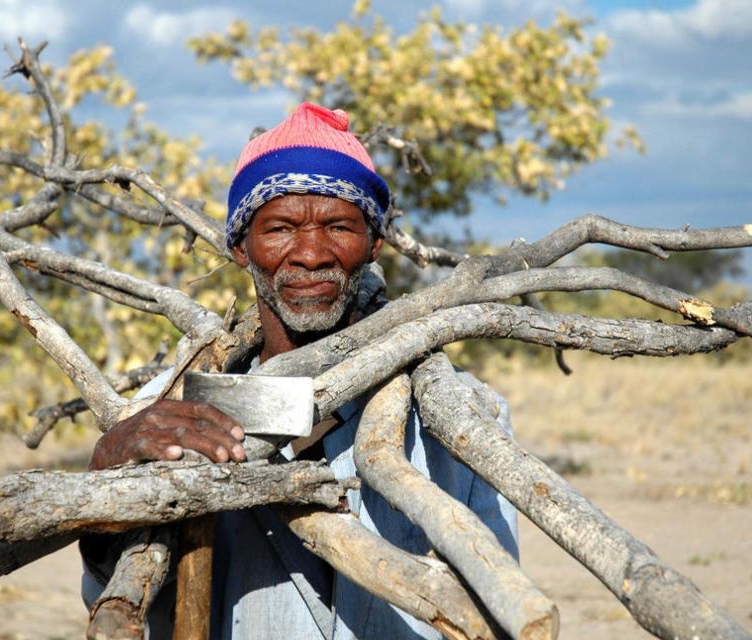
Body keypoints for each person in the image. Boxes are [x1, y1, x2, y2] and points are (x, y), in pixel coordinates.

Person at [81, 102, 518, 639]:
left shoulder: (462, 416)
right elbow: (119, 601)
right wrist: (105, 489)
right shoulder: (170, 412)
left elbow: (499, 610)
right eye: (281, 228)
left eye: (339, 226)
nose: (311, 254)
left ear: (374, 244)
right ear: (241, 248)